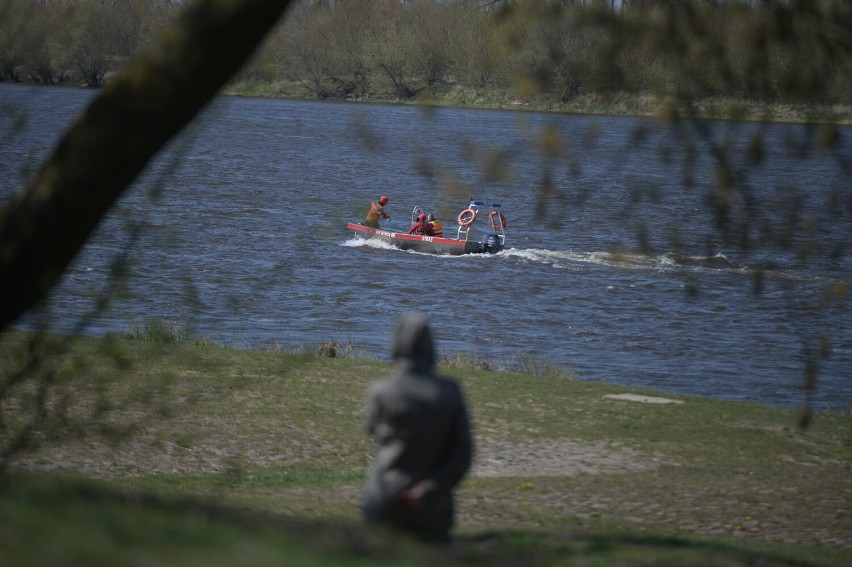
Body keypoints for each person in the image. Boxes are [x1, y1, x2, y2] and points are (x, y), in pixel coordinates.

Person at [363, 312, 473, 544]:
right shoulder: (449, 392)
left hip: (384, 498)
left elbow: (372, 429)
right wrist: (428, 488)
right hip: (432, 506)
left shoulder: (381, 391)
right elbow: (463, 454)